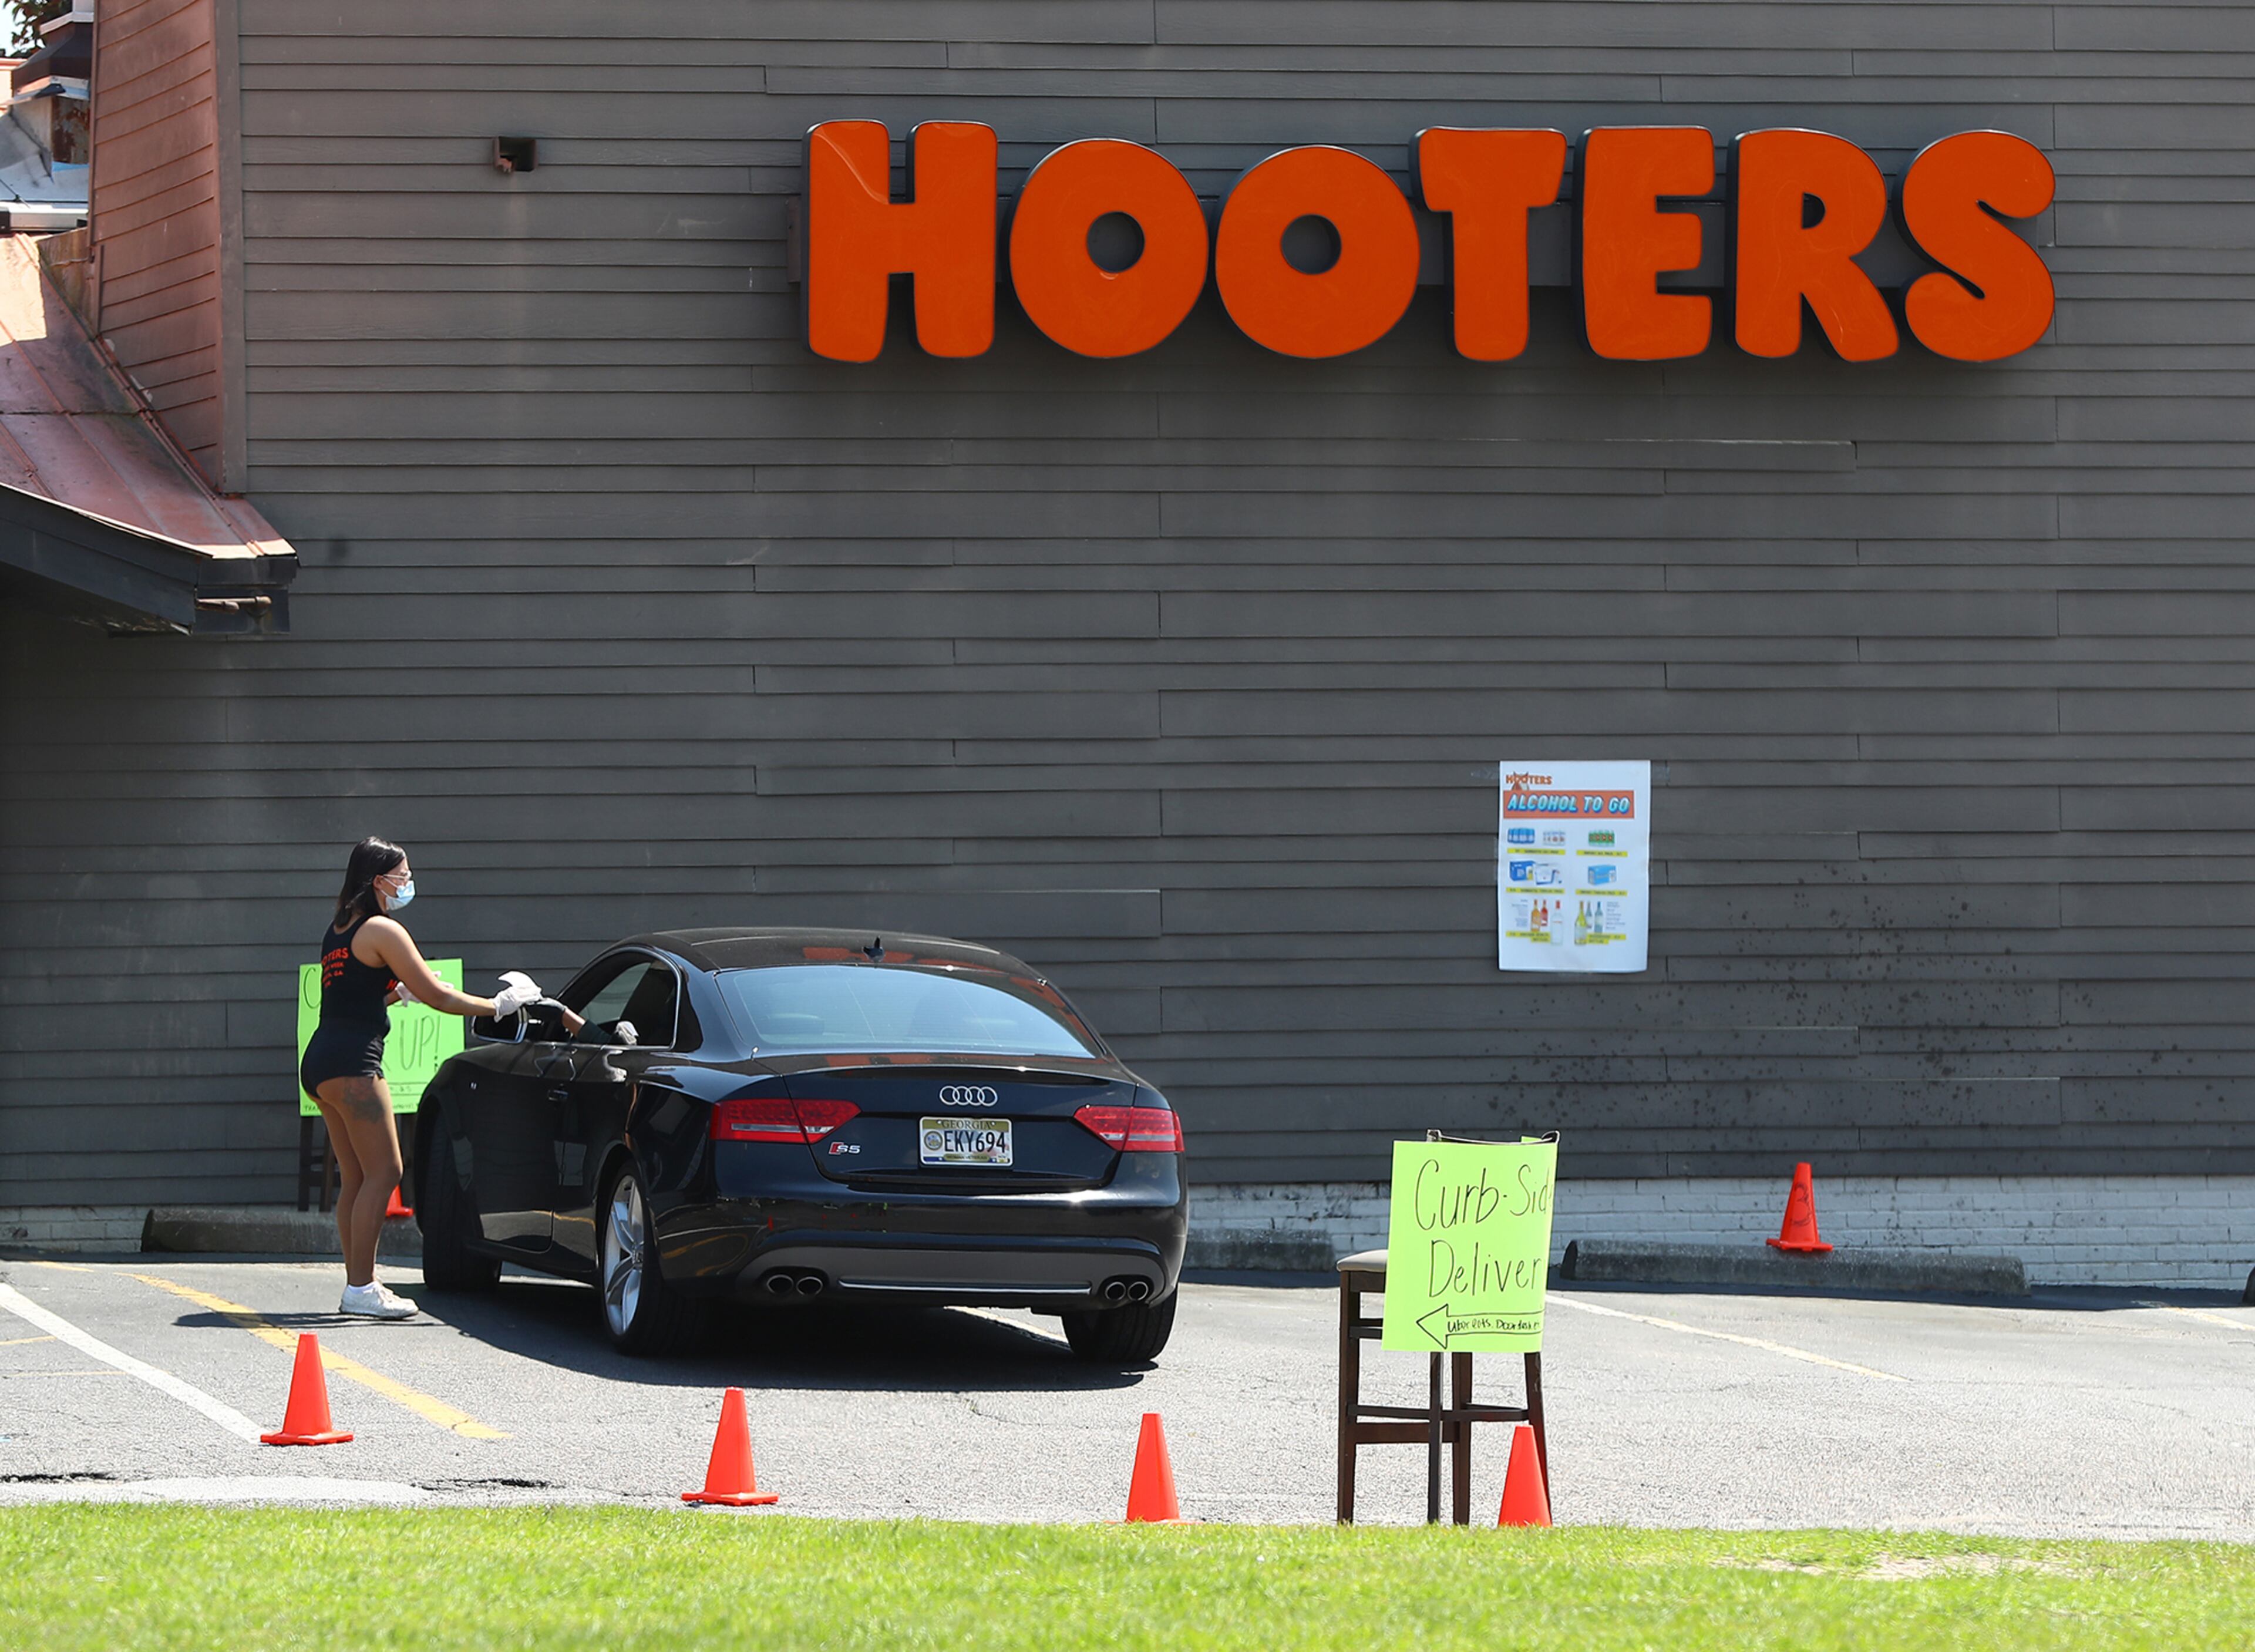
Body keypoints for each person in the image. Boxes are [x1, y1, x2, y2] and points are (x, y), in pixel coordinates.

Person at [301, 837, 544, 1319]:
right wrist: (496, 1006)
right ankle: (362, 1286)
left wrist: (396, 997)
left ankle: (358, 1283)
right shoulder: (383, 930)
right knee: (387, 1171)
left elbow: (358, 998)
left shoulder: (339, 929)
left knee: (355, 1176)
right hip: (354, 1065)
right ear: (378, 880)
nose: (408, 883)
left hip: (321, 1063)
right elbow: (437, 995)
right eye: (403, 875)